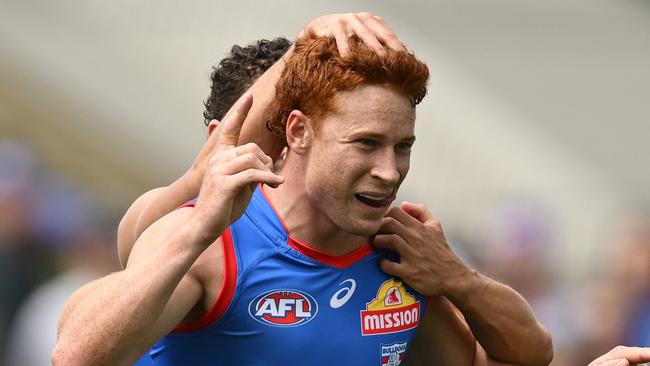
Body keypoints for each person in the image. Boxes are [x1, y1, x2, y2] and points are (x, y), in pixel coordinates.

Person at [54, 13, 553, 366]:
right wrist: (197, 228)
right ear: (297, 133)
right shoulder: (209, 237)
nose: (389, 170)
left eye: (403, 146)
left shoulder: (403, 256)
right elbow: (74, 357)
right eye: (366, 144)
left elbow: (522, 356)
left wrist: (460, 280)